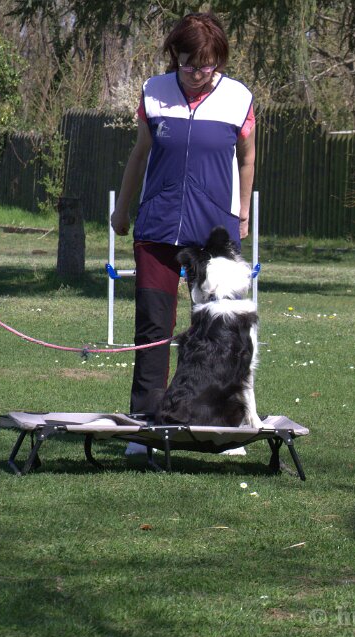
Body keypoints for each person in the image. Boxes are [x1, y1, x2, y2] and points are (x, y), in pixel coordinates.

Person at [111, 12, 256, 454]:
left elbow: (247, 158)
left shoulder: (238, 98)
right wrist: (123, 208)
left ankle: (226, 424)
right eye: (189, 63)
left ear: (219, 61)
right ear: (175, 55)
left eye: (207, 65)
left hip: (212, 235)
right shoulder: (154, 92)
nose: (197, 74)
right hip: (156, 228)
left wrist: (243, 212)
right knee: (153, 329)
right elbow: (140, 153)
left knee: (222, 334)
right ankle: (145, 428)